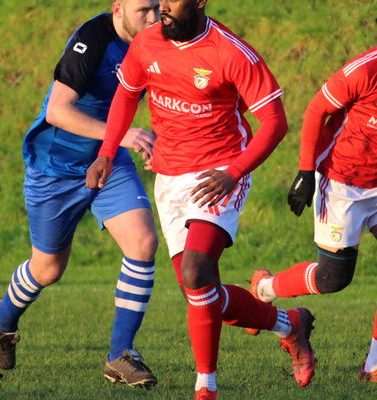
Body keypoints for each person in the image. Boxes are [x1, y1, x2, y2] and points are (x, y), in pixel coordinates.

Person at [86, 1, 317, 398]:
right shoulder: (147, 43)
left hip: (220, 171)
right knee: (201, 293)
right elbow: (126, 96)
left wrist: (235, 172)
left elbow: (275, 121)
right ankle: (290, 324)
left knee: (195, 272)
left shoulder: (230, 52)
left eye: (174, 0)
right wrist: (107, 153)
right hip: (170, 176)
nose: (164, 7)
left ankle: (205, 388)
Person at [0, 0, 160, 389]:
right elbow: (58, 111)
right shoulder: (92, 38)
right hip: (55, 168)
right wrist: (122, 135)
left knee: (143, 242)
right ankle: (3, 319)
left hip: (108, 161)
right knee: (48, 269)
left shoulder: (156, 43)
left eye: (157, 7)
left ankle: (121, 355)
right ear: (119, 8)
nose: (152, 18)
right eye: (143, 10)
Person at [247, 47, 377, 380]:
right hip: (342, 181)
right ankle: (265, 288)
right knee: (333, 279)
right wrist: (306, 172)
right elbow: (317, 109)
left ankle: (373, 364)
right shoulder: (365, 71)